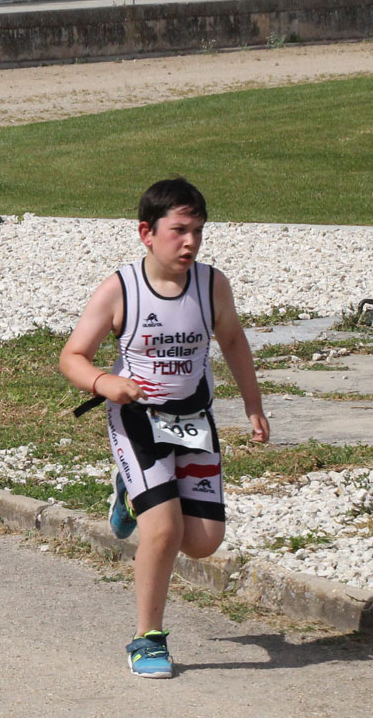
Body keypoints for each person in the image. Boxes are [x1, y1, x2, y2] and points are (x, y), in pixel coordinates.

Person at [57, 178, 269, 679]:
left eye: (197, 230)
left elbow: (234, 341)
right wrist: (106, 383)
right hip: (137, 423)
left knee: (203, 541)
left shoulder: (212, 283)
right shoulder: (120, 288)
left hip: (195, 420)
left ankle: (128, 494)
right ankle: (147, 637)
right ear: (146, 233)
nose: (190, 242)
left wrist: (254, 406)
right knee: (164, 529)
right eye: (179, 230)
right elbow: (72, 357)